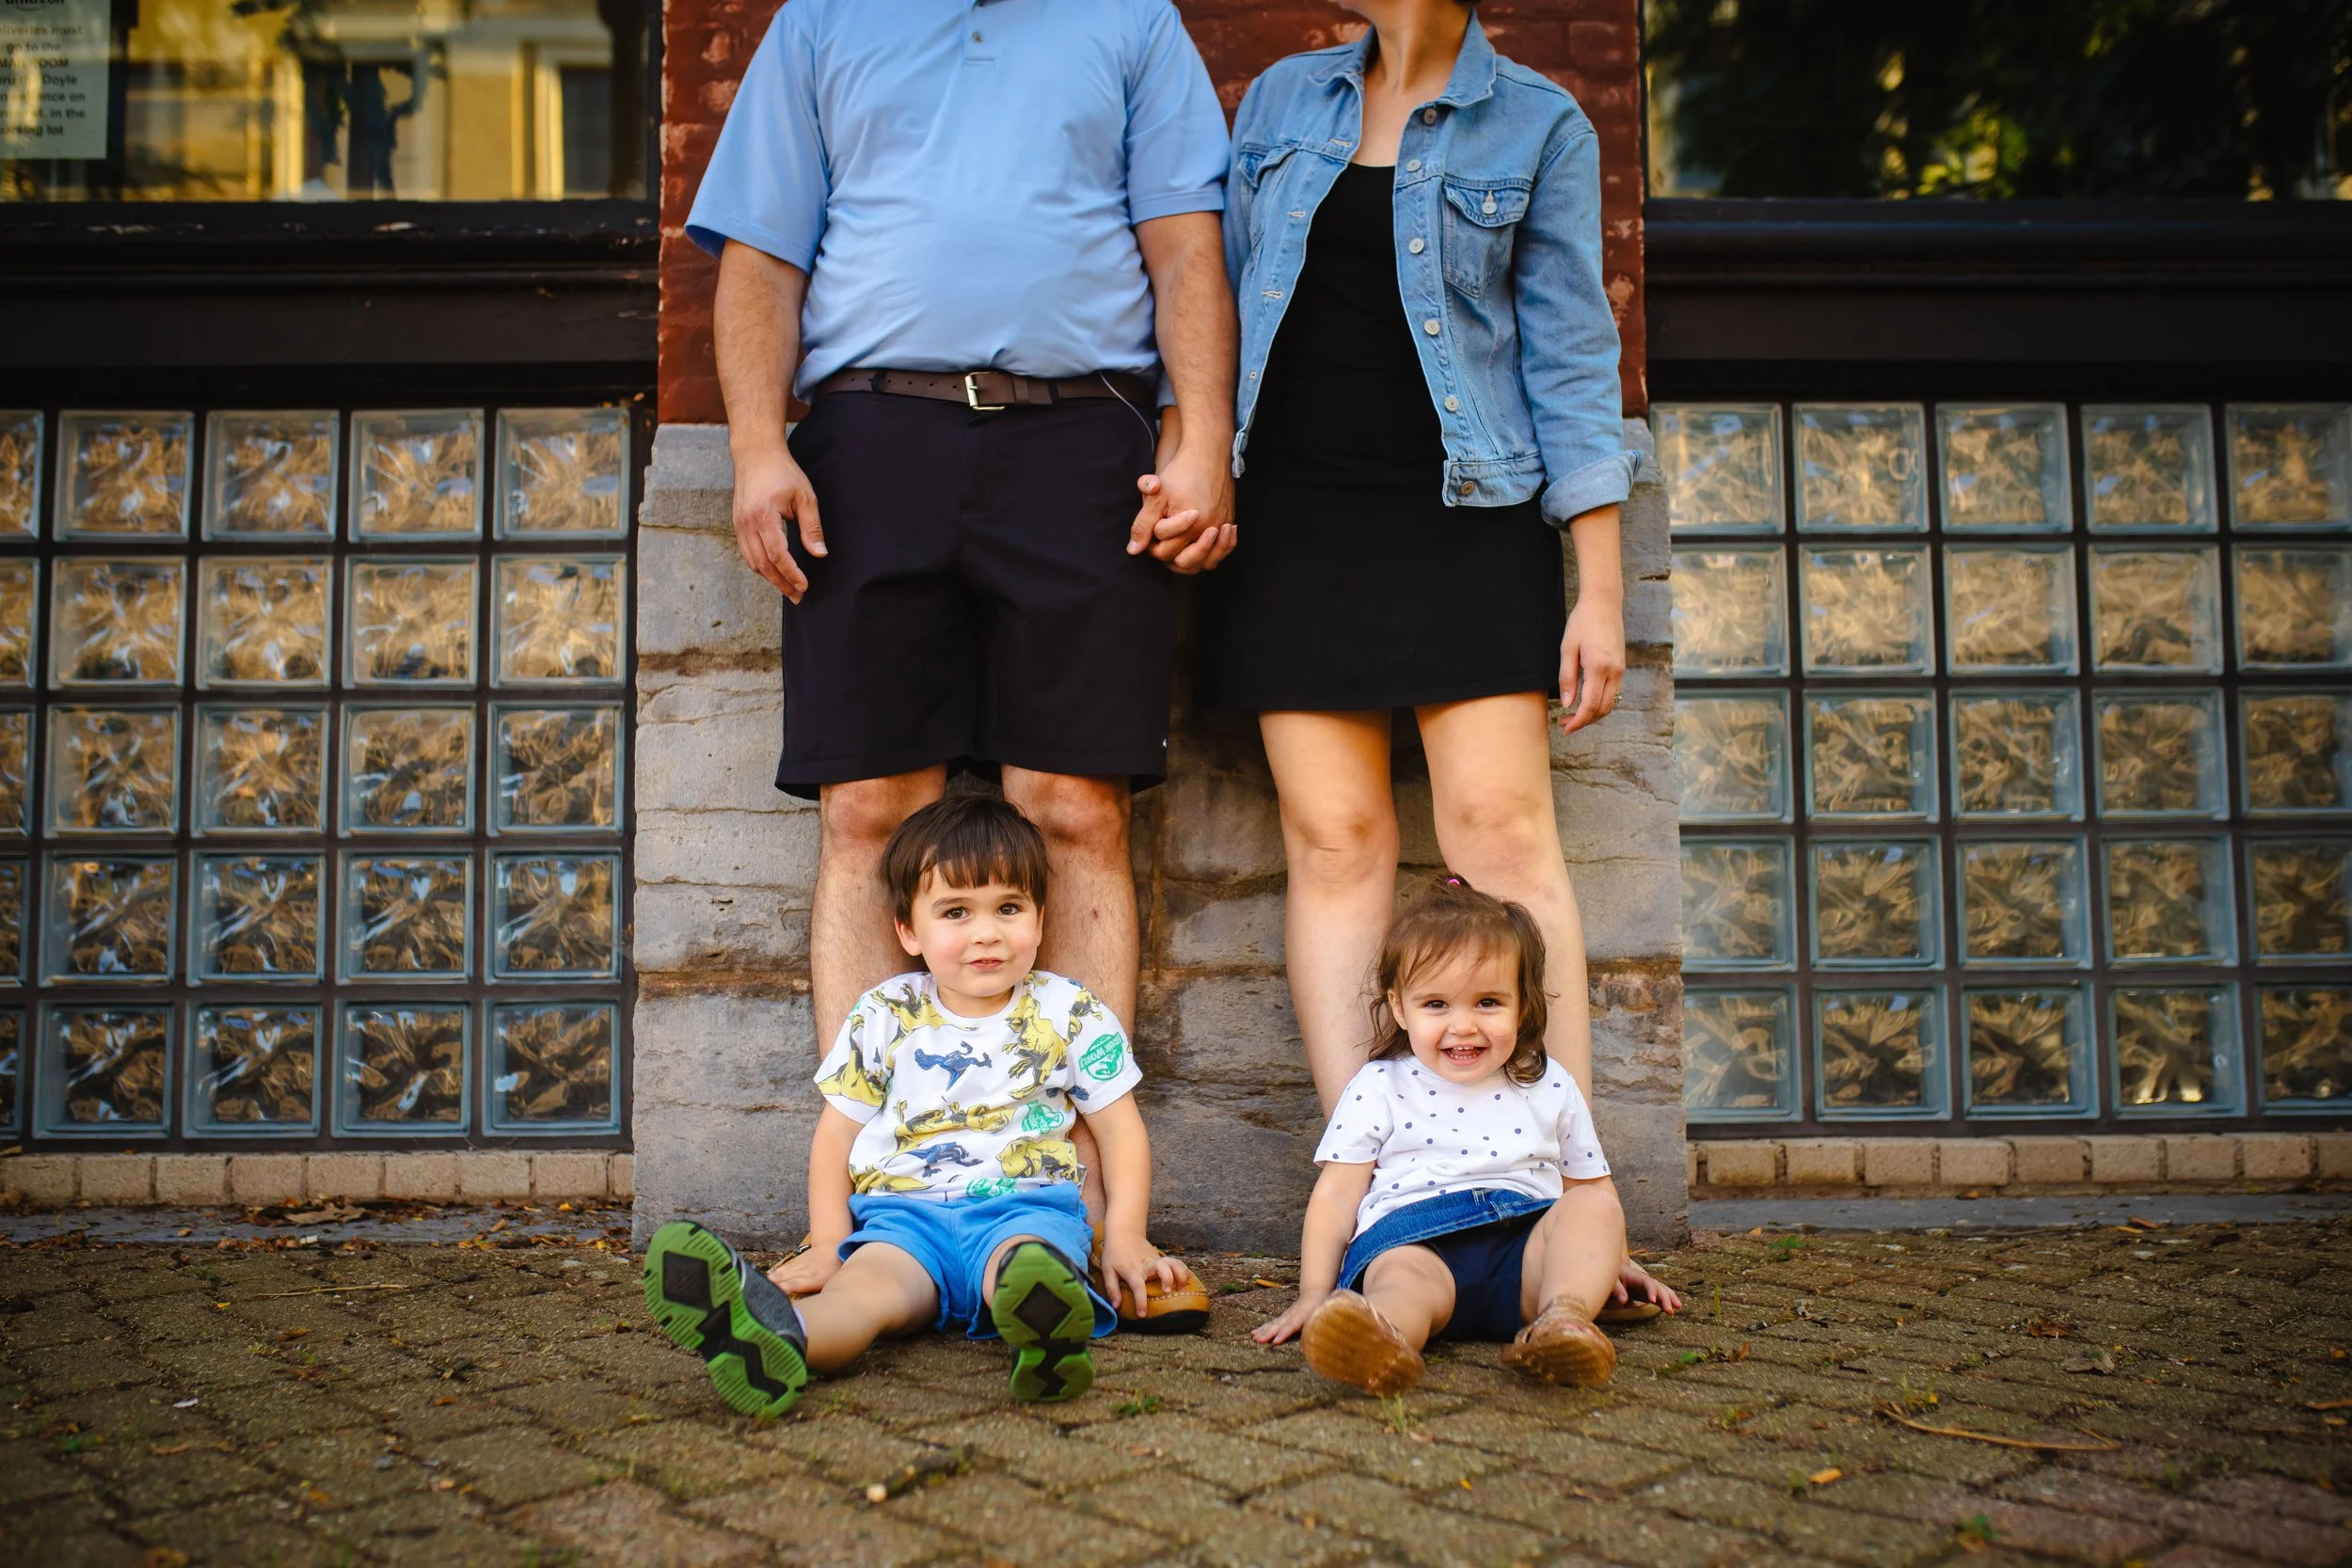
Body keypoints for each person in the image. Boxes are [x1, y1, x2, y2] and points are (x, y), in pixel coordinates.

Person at [684, 0, 1238, 1321]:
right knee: (870, 812)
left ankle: (1091, 1211)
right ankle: (871, 1211)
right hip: (872, 438)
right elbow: (760, 255)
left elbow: (1186, 251)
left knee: (1076, 808)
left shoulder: (1132, 21)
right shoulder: (820, 21)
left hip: (1081, 441)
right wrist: (759, 446)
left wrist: (1204, 438)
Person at [1170, 0, 1673, 1311]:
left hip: (1469, 508)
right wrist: (1191, 457)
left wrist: (1599, 585)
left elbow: (1572, 353)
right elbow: (1212, 297)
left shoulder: (1541, 122)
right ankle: (1394, 1182)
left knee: (1502, 838)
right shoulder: (1282, 102)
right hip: (1295, 512)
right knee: (1336, 841)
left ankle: (1566, 1193)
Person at [642, 796, 1190, 1416]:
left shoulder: (1069, 1011)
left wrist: (1124, 1235)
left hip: (1025, 1209)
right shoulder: (884, 1013)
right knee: (863, 1294)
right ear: (908, 929)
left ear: (1039, 919)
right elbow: (834, 1138)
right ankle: (779, 1335)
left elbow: (1121, 1131)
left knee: (1025, 1264)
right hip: (902, 1222)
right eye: (955, 911)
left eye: (1009, 908)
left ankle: (1040, 1332)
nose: (987, 932)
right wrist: (828, 1242)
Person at [1253, 878, 1667, 1393]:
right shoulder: (1380, 1084)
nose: (1464, 1025)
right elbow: (1338, 1193)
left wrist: (1615, 1261)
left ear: (1524, 1005)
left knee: (1594, 1210)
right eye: (1436, 1005)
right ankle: (1380, 1337)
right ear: (1400, 1008)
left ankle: (1564, 1319)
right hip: (1416, 1244)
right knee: (1399, 1282)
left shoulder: (1549, 1082)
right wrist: (1313, 1291)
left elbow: (1591, 1186)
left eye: (1488, 1002)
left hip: (1526, 1254)